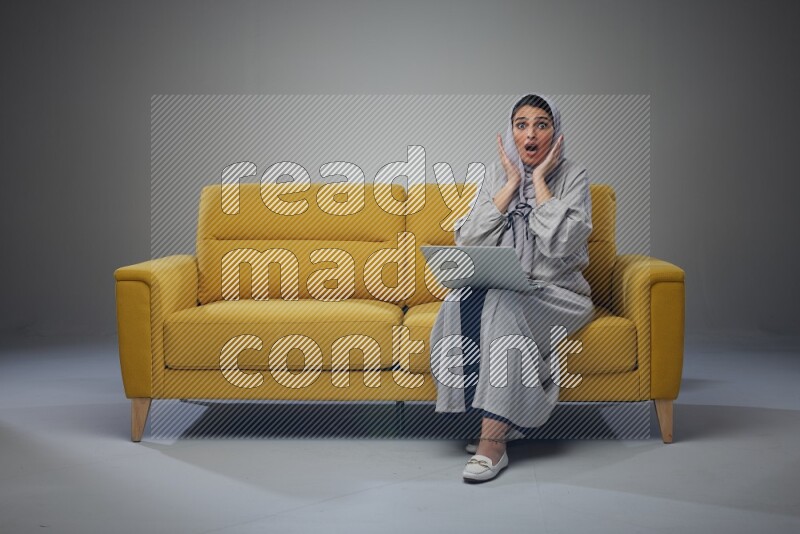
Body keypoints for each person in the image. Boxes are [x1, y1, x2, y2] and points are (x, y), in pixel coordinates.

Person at [429, 94, 595, 482]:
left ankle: (494, 441)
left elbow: (564, 244)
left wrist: (538, 183)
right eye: (521, 124)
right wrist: (512, 183)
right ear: (511, 132)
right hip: (507, 287)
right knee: (456, 302)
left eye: (542, 124)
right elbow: (468, 241)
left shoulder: (574, 175)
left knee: (502, 304)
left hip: (558, 294)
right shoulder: (495, 173)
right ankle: (495, 416)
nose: (531, 134)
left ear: (555, 133)